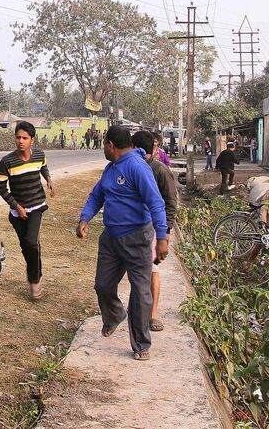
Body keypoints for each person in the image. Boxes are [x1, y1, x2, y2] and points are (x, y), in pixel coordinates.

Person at [76, 126, 168, 361]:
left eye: (104, 144)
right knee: (102, 285)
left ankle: (141, 343)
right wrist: (85, 218)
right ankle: (115, 314)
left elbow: (156, 203)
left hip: (137, 238)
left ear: (110, 145)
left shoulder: (138, 168)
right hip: (111, 238)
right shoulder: (110, 169)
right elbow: (97, 195)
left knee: (140, 292)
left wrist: (162, 238)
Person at [0, 121, 55, 300]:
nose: (20, 141)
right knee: (27, 246)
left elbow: (43, 166)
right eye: (18, 137)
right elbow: (0, 187)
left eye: (25, 138)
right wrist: (16, 206)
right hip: (17, 212)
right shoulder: (7, 161)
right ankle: (35, 272)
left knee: (31, 242)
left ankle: (34, 282)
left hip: (36, 206)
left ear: (32, 140)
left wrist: (49, 179)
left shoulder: (39, 155)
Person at [132, 131, 176, 333]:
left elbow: (170, 202)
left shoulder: (160, 171)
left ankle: (153, 314)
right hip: (133, 227)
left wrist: (165, 232)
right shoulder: (129, 167)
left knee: (153, 271)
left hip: (154, 228)